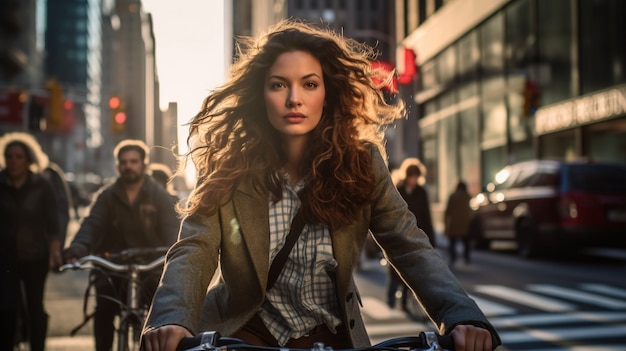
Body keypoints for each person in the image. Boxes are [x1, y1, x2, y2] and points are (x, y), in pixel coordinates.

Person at [141, 19, 501, 351]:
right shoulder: (228, 164)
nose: (294, 98)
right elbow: (195, 248)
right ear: (259, 94)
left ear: (327, 93)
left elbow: (408, 245)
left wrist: (462, 315)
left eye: (309, 84)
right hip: (245, 333)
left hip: (332, 336)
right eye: (279, 84)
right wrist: (172, 320)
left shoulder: (362, 163)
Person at [63, 139, 180, 351]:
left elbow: (172, 228)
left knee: (163, 312)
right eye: (124, 162)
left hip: (151, 267)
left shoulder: (159, 196)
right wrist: (78, 248)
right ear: (118, 166)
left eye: (134, 161)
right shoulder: (106, 196)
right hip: (114, 266)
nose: (129, 166)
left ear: (144, 165)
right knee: (104, 309)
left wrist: (176, 252)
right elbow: (92, 224)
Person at [0, 132, 63, 351]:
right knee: (6, 307)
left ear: (28, 159)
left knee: (34, 307)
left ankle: (38, 346)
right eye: (9, 155)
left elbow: (53, 222)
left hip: (36, 255)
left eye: (18, 156)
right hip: (5, 257)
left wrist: (55, 252)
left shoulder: (41, 185)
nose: (13, 161)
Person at [387, 159, 434, 311]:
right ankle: (391, 293)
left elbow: (427, 216)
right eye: (411, 176)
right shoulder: (397, 189)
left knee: (412, 271)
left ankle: (404, 303)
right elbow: (389, 214)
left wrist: (430, 239)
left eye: (416, 176)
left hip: (415, 235)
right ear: (407, 176)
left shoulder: (422, 192)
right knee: (396, 269)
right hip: (398, 235)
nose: (413, 180)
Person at [445, 181, 474, 267]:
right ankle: (466, 258)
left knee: (452, 242)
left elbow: (448, 211)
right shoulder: (467, 196)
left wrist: (446, 224)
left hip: (454, 223)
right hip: (465, 223)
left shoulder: (452, 196)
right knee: (466, 242)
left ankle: (453, 257)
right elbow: (471, 209)